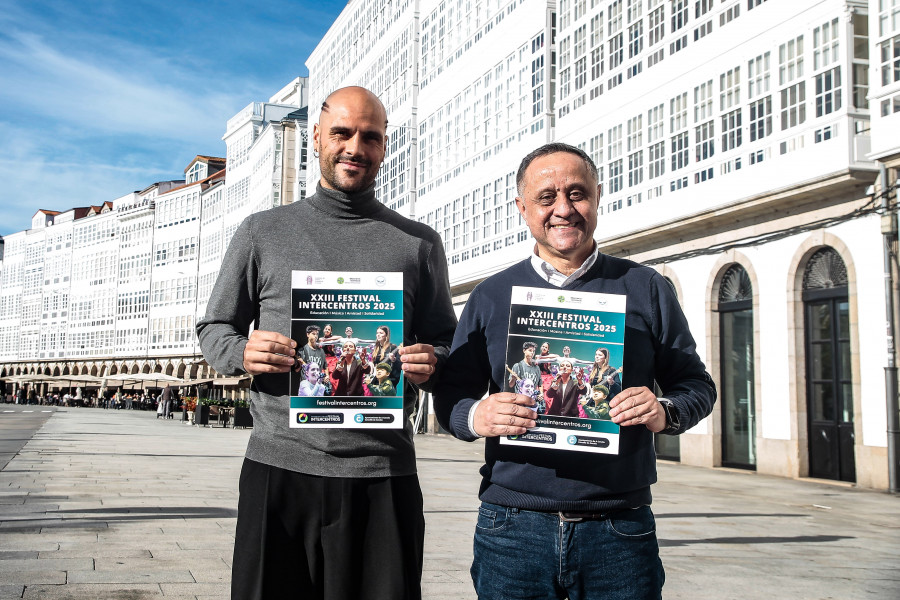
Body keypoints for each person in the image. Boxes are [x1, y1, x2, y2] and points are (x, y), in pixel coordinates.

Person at [196, 86, 457, 600]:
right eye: (342, 132)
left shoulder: (418, 243)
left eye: (371, 137)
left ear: (385, 147)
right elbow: (215, 327)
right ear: (316, 137)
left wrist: (434, 360)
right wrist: (241, 355)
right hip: (280, 468)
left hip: (383, 472)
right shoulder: (261, 232)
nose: (355, 147)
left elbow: (446, 338)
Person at [433, 142, 716, 600]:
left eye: (577, 193)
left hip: (619, 531)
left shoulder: (646, 287)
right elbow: (450, 396)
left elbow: (697, 385)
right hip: (512, 530)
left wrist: (664, 410)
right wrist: (474, 417)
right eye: (546, 197)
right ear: (522, 208)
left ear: (598, 197)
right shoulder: (490, 296)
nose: (563, 209)